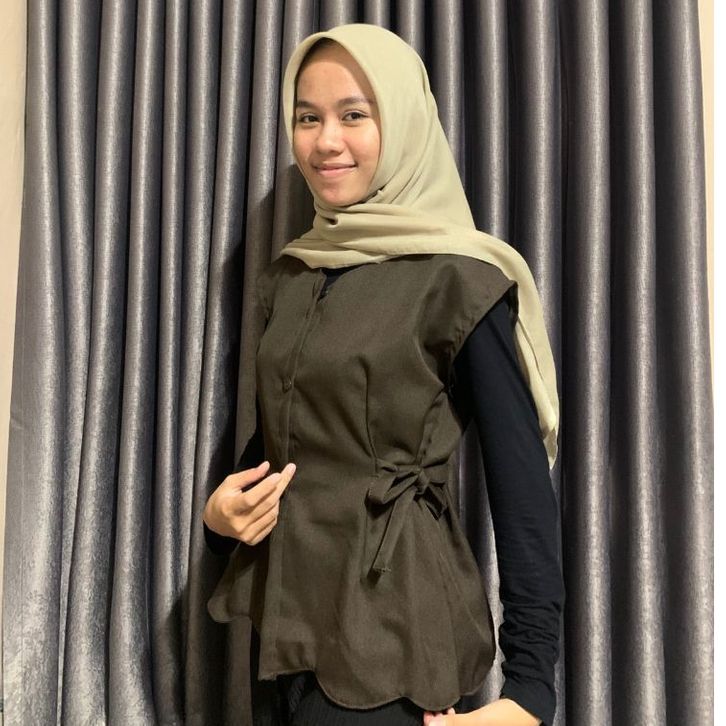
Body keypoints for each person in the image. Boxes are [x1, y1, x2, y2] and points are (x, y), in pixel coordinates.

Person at [203, 23, 564, 726]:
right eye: (307, 117)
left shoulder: (461, 280)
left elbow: (522, 492)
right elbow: (289, 442)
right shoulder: (292, 276)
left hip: (391, 639)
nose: (325, 141)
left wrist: (529, 692)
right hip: (282, 632)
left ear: (400, 122)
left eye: (353, 114)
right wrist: (221, 521)